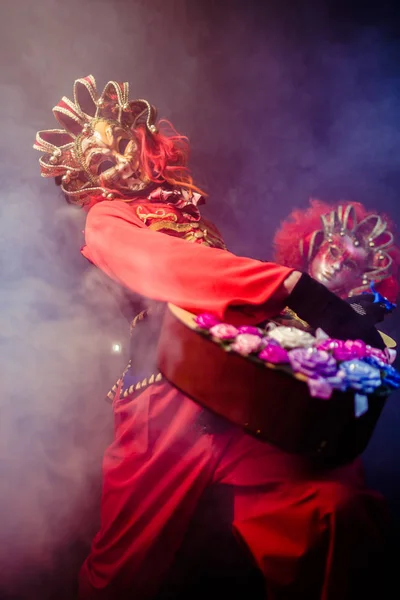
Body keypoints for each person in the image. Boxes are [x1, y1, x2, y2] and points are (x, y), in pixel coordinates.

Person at [34, 76, 395, 600]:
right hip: (165, 398)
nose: (117, 165)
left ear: (142, 141)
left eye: (121, 148)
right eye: (100, 162)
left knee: (329, 510)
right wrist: (288, 285)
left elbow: (230, 295)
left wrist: (332, 328)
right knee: (120, 574)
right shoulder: (109, 215)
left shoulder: (185, 210)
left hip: (239, 392)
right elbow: (161, 266)